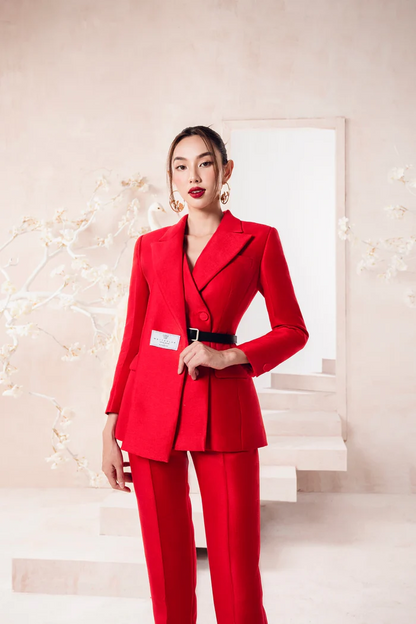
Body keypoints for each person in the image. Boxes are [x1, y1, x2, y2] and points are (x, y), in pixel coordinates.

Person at [102, 125, 309, 624]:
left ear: (225, 171)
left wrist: (228, 356)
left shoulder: (258, 240)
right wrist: (111, 424)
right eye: (181, 166)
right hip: (150, 407)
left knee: (236, 565)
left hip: (223, 405)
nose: (193, 175)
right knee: (165, 564)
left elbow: (292, 330)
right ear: (171, 178)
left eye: (205, 163)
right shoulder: (149, 247)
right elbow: (133, 340)